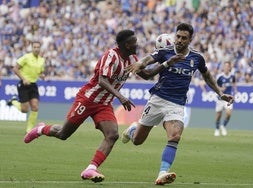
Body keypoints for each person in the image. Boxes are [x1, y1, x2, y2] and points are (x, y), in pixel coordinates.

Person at [23, 29, 177, 183]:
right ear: (127, 44)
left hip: (104, 104)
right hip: (87, 99)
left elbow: (147, 75)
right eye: (134, 42)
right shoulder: (111, 55)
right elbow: (102, 80)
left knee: (113, 135)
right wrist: (120, 96)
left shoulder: (132, 59)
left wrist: (166, 63)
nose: (137, 44)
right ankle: (41, 129)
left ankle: (91, 168)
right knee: (63, 134)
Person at [121, 23, 234, 185]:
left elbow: (207, 76)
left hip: (177, 104)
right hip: (157, 100)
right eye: (178, 37)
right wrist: (140, 64)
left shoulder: (197, 58)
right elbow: (148, 60)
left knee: (175, 136)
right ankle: (133, 130)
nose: (179, 40)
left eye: (184, 38)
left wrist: (220, 93)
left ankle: (162, 173)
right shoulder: (165, 52)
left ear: (190, 40)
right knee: (138, 140)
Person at [7, 41, 45, 133]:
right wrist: (23, 79)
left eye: (38, 47)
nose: (36, 49)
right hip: (23, 84)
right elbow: (15, 69)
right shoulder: (26, 57)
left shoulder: (41, 60)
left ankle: (29, 130)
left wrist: (41, 76)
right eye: (34, 47)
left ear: (40, 48)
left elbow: (40, 72)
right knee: (24, 110)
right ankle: (13, 101)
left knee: (35, 107)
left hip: (33, 85)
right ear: (32, 48)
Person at [214, 61, 237, 136]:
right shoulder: (220, 77)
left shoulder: (232, 76)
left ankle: (223, 126)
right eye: (225, 66)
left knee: (229, 113)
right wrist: (220, 89)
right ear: (223, 67)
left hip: (228, 99)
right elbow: (215, 86)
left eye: (228, 66)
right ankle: (217, 129)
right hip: (220, 98)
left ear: (230, 67)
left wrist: (235, 90)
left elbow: (234, 83)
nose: (226, 68)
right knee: (218, 115)